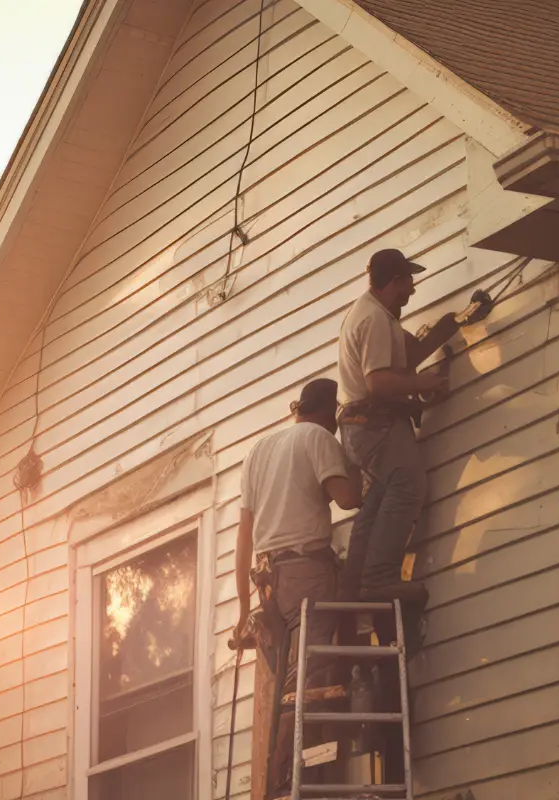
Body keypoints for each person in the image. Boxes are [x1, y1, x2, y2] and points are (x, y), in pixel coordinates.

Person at [336, 248, 490, 604]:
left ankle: (353, 587)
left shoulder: (375, 315)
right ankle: (378, 579)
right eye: (409, 283)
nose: (413, 292)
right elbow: (377, 383)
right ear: (395, 281)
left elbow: (412, 353)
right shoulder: (373, 318)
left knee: (377, 500)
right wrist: (423, 385)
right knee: (408, 484)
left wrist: (456, 321)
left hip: (361, 426)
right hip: (371, 423)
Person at [235, 378, 361, 796]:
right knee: (311, 679)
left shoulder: (259, 451)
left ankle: (279, 780)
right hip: (307, 571)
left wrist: (241, 609)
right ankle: (297, 781)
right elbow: (346, 499)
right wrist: (359, 461)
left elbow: (244, 535)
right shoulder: (318, 437)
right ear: (328, 414)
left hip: (268, 581)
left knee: (287, 684)